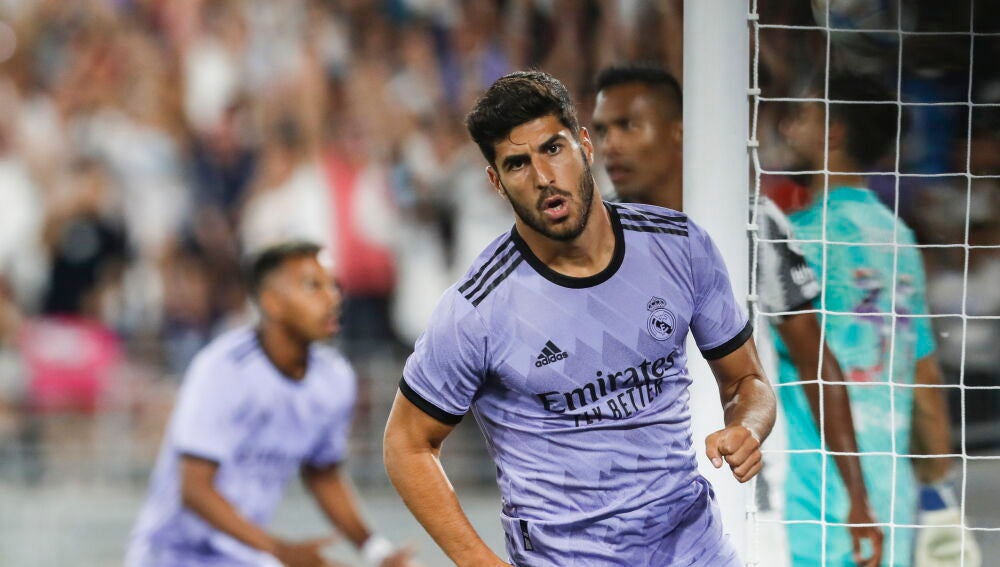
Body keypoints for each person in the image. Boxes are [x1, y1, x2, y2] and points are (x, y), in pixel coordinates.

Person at [383, 70, 776, 566]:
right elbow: (407, 444)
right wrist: (480, 562)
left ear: (584, 146)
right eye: (517, 164)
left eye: (553, 149)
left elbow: (746, 380)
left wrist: (747, 426)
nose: (543, 177)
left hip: (695, 550)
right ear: (496, 182)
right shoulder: (477, 310)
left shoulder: (680, 247)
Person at [590, 63, 883, 566]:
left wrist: (857, 497)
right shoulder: (593, 235)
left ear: (679, 131)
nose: (611, 145)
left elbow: (815, 361)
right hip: (630, 507)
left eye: (628, 126)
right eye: (602, 130)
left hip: (744, 495)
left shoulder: (749, 223)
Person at [778, 74, 971, 566]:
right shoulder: (899, 237)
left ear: (833, 132)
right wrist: (940, 495)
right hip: (890, 510)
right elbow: (923, 377)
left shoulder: (793, 241)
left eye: (800, 116)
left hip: (809, 510)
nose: (784, 128)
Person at [127, 241, 416, 567]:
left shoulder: (334, 377)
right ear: (272, 302)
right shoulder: (223, 369)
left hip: (245, 555)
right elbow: (195, 489)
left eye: (333, 285)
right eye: (313, 286)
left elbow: (323, 475)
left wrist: (377, 552)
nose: (333, 298)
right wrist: (280, 552)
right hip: (173, 555)